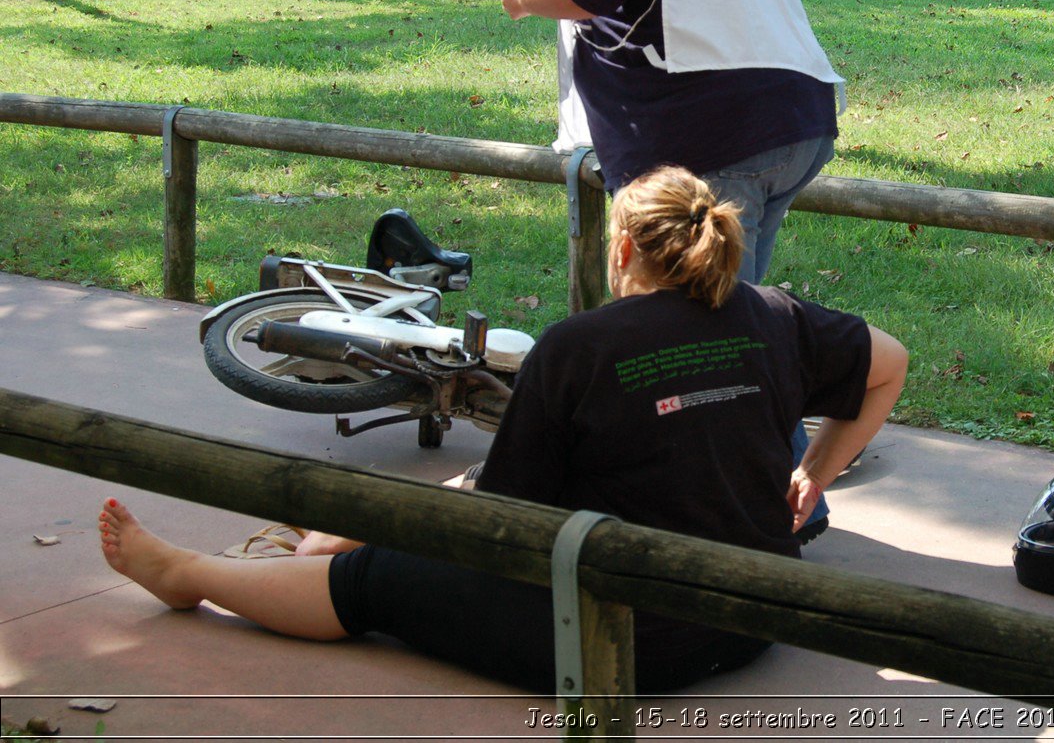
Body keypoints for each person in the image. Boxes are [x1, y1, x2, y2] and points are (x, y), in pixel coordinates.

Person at [98, 166, 909, 694]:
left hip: (625, 644)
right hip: (751, 620)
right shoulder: (773, 314)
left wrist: (358, 536)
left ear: (622, 246)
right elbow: (891, 364)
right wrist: (818, 473)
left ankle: (188, 575)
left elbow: (502, 528)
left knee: (373, 576)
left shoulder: (579, 347)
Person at [497, 0, 843, 533]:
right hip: (793, 112)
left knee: (715, 328)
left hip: (706, 129)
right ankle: (775, 490)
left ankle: (780, 505)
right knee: (735, 315)